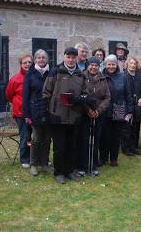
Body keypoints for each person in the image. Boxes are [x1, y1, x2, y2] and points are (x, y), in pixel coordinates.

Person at [42, 47, 89, 184]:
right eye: (68, 57)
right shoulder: (55, 71)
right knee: (59, 147)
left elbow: (85, 93)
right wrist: (47, 112)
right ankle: (59, 172)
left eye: (73, 57)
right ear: (64, 57)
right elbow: (46, 93)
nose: (71, 59)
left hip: (75, 116)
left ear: (77, 58)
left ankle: (69, 171)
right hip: (57, 116)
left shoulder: (81, 74)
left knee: (72, 146)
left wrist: (80, 99)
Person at [78, 56, 111, 177]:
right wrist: (88, 109)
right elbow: (80, 94)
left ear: (99, 66)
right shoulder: (82, 76)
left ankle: (93, 166)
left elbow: (107, 97)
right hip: (85, 113)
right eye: (91, 65)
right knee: (84, 140)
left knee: (95, 140)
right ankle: (82, 166)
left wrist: (98, 110)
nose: (93, 67)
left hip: (99, 114)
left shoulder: (103, 79)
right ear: (88, 65)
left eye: (96, 65)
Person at [100, 54, 133, 166]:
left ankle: (114, 159)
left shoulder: (123, 77)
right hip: (104, 110)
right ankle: (103, 158)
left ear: (116, 65)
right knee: (104, 136)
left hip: (119, 109)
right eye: (109, 64)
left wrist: (129, 111)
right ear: (105, 65)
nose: (111, 66)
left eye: (113, 64)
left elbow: (128, 94)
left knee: (116, 136)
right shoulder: (101, 75)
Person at [22, 49, 51, 176]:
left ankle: (44, 163)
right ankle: (33, 163)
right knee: (36, 138)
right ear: (35, 60)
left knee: (47, 138)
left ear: (47, 59)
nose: (41, 60)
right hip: (35, 111)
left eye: (43, 57)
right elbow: (25, 96)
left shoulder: (51, 73)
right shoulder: (30, 74)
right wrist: (26, 114)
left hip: (49, 110)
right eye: (38, 58)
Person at [6, 54, 33, 168]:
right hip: (21, 113)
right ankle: (25, 159)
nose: (27, 64)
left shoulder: (35, 76)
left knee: (35, 136)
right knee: (25, 136)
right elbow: (9, 95)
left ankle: (35, 157)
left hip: (34, 112)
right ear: (20, 64)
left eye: (29, 62)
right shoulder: (15, 79)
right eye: (25, 62)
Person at [124, 56, 141, 154]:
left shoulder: (139, 76)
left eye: (134, 63)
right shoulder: (123, 76)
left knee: (136, 127)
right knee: (127, 127)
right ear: (127, 64)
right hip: (128, 105)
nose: (132, 65)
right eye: (131, 63)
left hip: (138, 105)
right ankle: (125, 148)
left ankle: (133, 147)